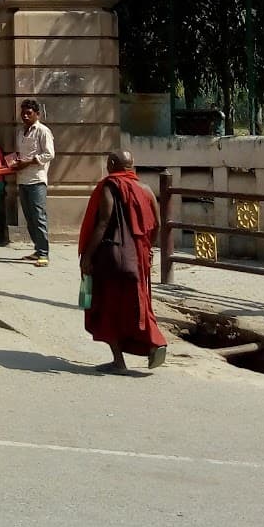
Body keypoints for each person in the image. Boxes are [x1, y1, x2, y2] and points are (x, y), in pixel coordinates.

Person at [79, 150, 169, 373]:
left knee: (107, 307)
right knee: (139, 304)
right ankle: (154, 343)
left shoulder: (110, 185)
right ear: (133, 164)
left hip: (113, 258)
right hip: (138, 258)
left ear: (111, 164)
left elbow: (103, 221)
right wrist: (148, 249)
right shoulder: (146, 190)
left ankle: (118, 361)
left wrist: (88, 256)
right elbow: (157, 223)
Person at [8, 98, 54, 266]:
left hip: (37, 180)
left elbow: (49, 154)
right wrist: (15, 162)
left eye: (29, 113)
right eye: (23, 113)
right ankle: (37, 249)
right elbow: (20, 154)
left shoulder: (43, 131)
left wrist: (30, 161)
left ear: (37, 114)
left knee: (39, 216)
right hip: (23, 179)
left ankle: (44, 253)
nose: (25, 116)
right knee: (29, 217)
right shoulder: (21, 132)